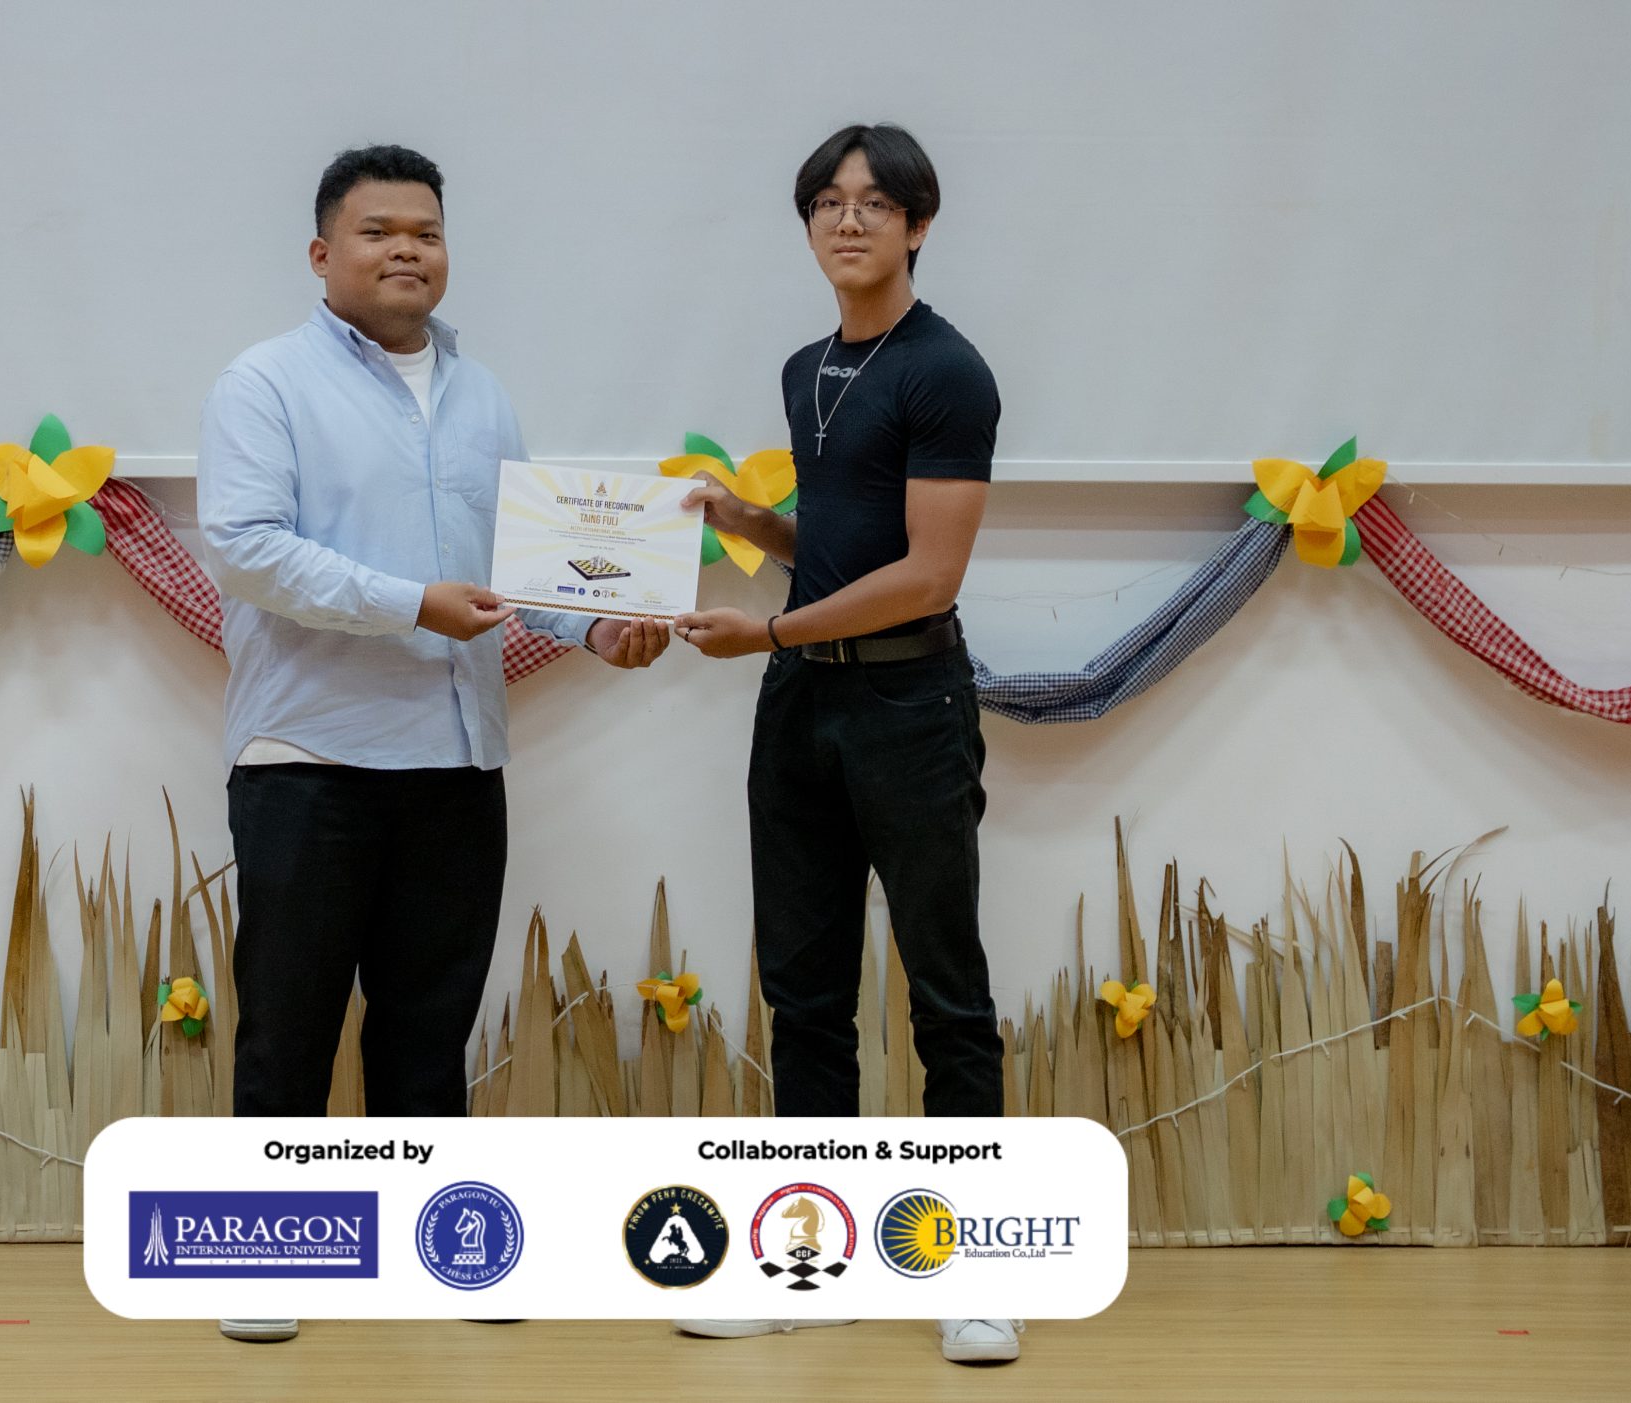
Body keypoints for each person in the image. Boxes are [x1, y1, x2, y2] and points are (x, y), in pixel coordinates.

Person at [198, 143, 671, 1343]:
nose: (406, 250)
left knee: (429, 1024)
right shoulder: (263, 384)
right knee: (291, 1022)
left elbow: (522, 568)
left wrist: (596, 624)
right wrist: (412, 602)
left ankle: (437, 1252)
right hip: (310, 757)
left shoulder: (482, 395)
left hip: (457, 761)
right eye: (377, 232)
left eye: (426, 232)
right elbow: (247, 550)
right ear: (322, 254)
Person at [671, 123, 1017, 1365]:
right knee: (805, 996)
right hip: (799, 713)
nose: (849, 219)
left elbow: (926, 576)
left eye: (875, 202)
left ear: (919, 224)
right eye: (827, 200)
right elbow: (834, 542)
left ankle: (973, 1275)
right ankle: (811, 1266)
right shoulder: (804, 367)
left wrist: (766, 631)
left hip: (908, 708)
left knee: (945, 993)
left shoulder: (948, 371)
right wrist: (743, 517)